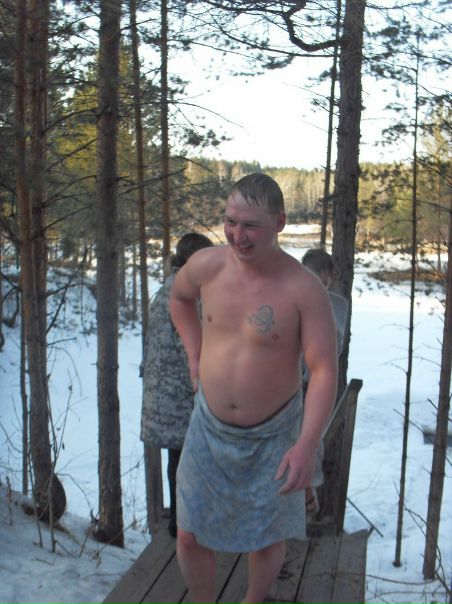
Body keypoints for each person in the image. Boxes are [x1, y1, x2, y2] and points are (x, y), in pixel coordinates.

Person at [169, 173, 338, 604]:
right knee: (188, 532)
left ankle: (253, 600)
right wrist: (194, 353)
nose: (237, 236)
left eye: (250, 226)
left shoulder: (304, 289)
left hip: (274, 433)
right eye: (230, 222)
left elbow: (323, 371)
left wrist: (306, 445)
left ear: (279, 223)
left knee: (266, 537)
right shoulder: (207, 266)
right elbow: (179, 298)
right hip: (208, 426)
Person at [140, 232, 213, 538]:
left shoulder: (167, 289)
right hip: (181, 394)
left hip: (162, 394)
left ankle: (181, 523)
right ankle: (187, 525)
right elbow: (195, 348)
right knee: (189, 460)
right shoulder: (188, 296)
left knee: (178, 458)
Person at [301, 248, 349, 519]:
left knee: (311, 445)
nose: (321, 284)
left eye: (324, 279)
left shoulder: (336, 305)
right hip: (286, 386)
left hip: (315, 386)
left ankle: (307, 510)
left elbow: (335, 345)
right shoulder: (292, 297)